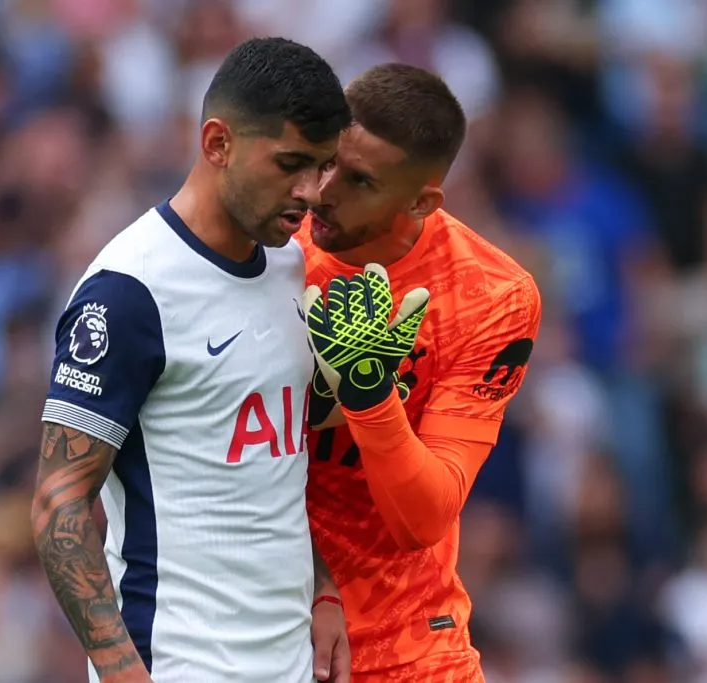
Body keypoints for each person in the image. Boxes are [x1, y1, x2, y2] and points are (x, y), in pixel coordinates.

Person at [30, 37, 353, 683]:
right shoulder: (130, 290)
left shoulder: (294, 266)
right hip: (180, 664)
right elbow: (59, 504)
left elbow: (277, 470)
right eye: (290, 162)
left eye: (321, 166)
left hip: (290, 663)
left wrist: (321, 589)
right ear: (217, 143)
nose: (310, 191)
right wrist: (123, 672)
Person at [297, 63, 543, 682]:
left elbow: (423, 517)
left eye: (360, 181)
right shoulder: (269, 246)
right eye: (328, 162)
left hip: (411, 646)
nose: (325, 192)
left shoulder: (492, 296)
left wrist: (368, 392)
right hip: (261, 629)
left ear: (421, 201)